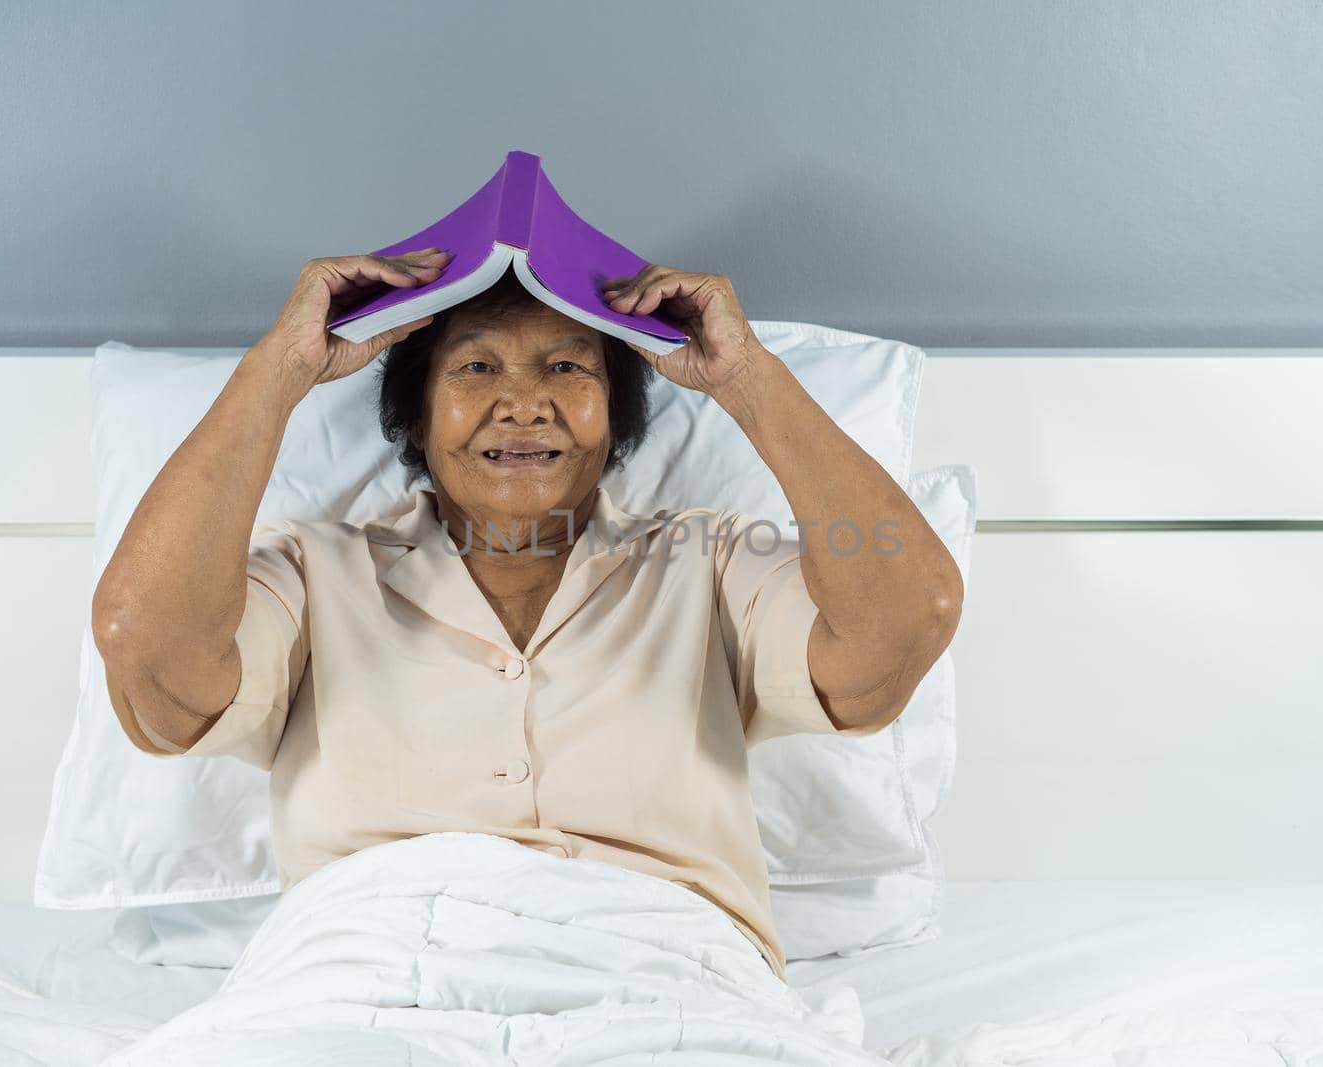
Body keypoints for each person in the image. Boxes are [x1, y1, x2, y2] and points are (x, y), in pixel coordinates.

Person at [93, 248, 965, 983]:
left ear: (615, 415)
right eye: (476, 367)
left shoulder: (708, 561)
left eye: (567, 366)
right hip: (367, 977)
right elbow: (151, 659)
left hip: (668, 979)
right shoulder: (317, 573)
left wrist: (748, 379)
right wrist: (278, 372)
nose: (523, 402)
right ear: (418, 417)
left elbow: (906, 621)